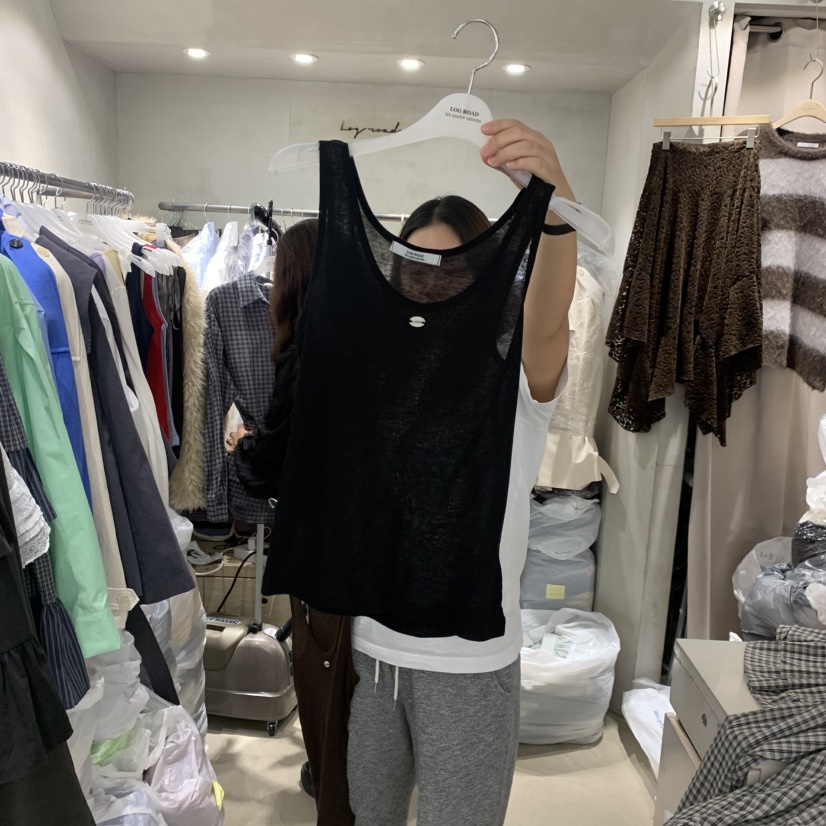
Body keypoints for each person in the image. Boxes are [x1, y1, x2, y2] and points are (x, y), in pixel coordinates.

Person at [344, 120, 575, 826]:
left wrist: (554, 205)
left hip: (468, 664)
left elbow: (548, 320)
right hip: (372, 650)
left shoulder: (513, 375)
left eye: (453, 270)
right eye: (417, 269)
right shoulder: (379, 374)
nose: (432, 285)